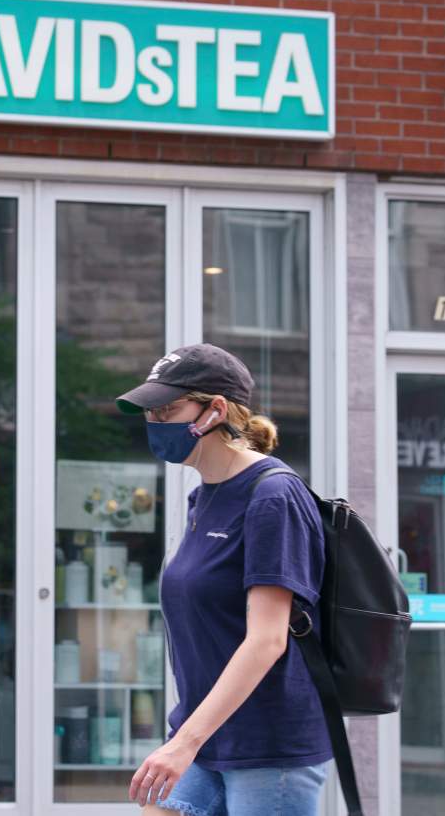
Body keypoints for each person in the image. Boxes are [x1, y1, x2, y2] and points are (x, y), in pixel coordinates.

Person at [114, 343, 334, 815]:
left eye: (167, 409)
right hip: (206, 733)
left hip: (266, 745)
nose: (154, 423)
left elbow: (267, 640)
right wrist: (188, 737)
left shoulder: (274, 496)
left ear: (215, 410)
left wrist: (183, 744)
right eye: (149, 413)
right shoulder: (205, 498)